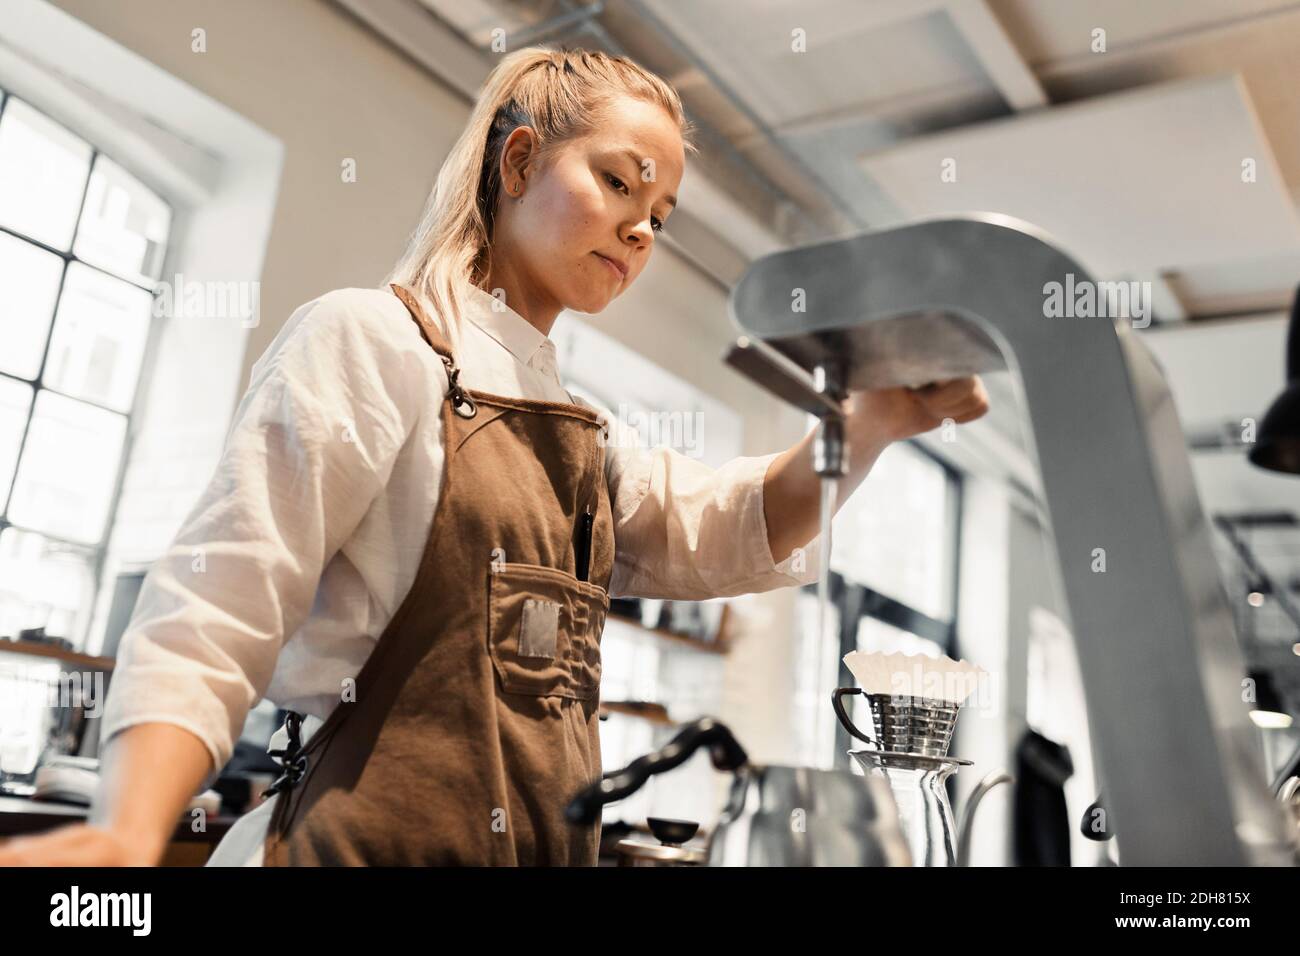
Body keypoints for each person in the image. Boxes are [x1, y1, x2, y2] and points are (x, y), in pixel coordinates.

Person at [0, 47, 987, 866]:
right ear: (517, 163)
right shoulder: (373, 342)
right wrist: (130, 830)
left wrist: (867, 425)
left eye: (661, 215)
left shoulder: (579, 431)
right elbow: (219, 602)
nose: (642, 228)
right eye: (617, 182)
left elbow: (717, 529)